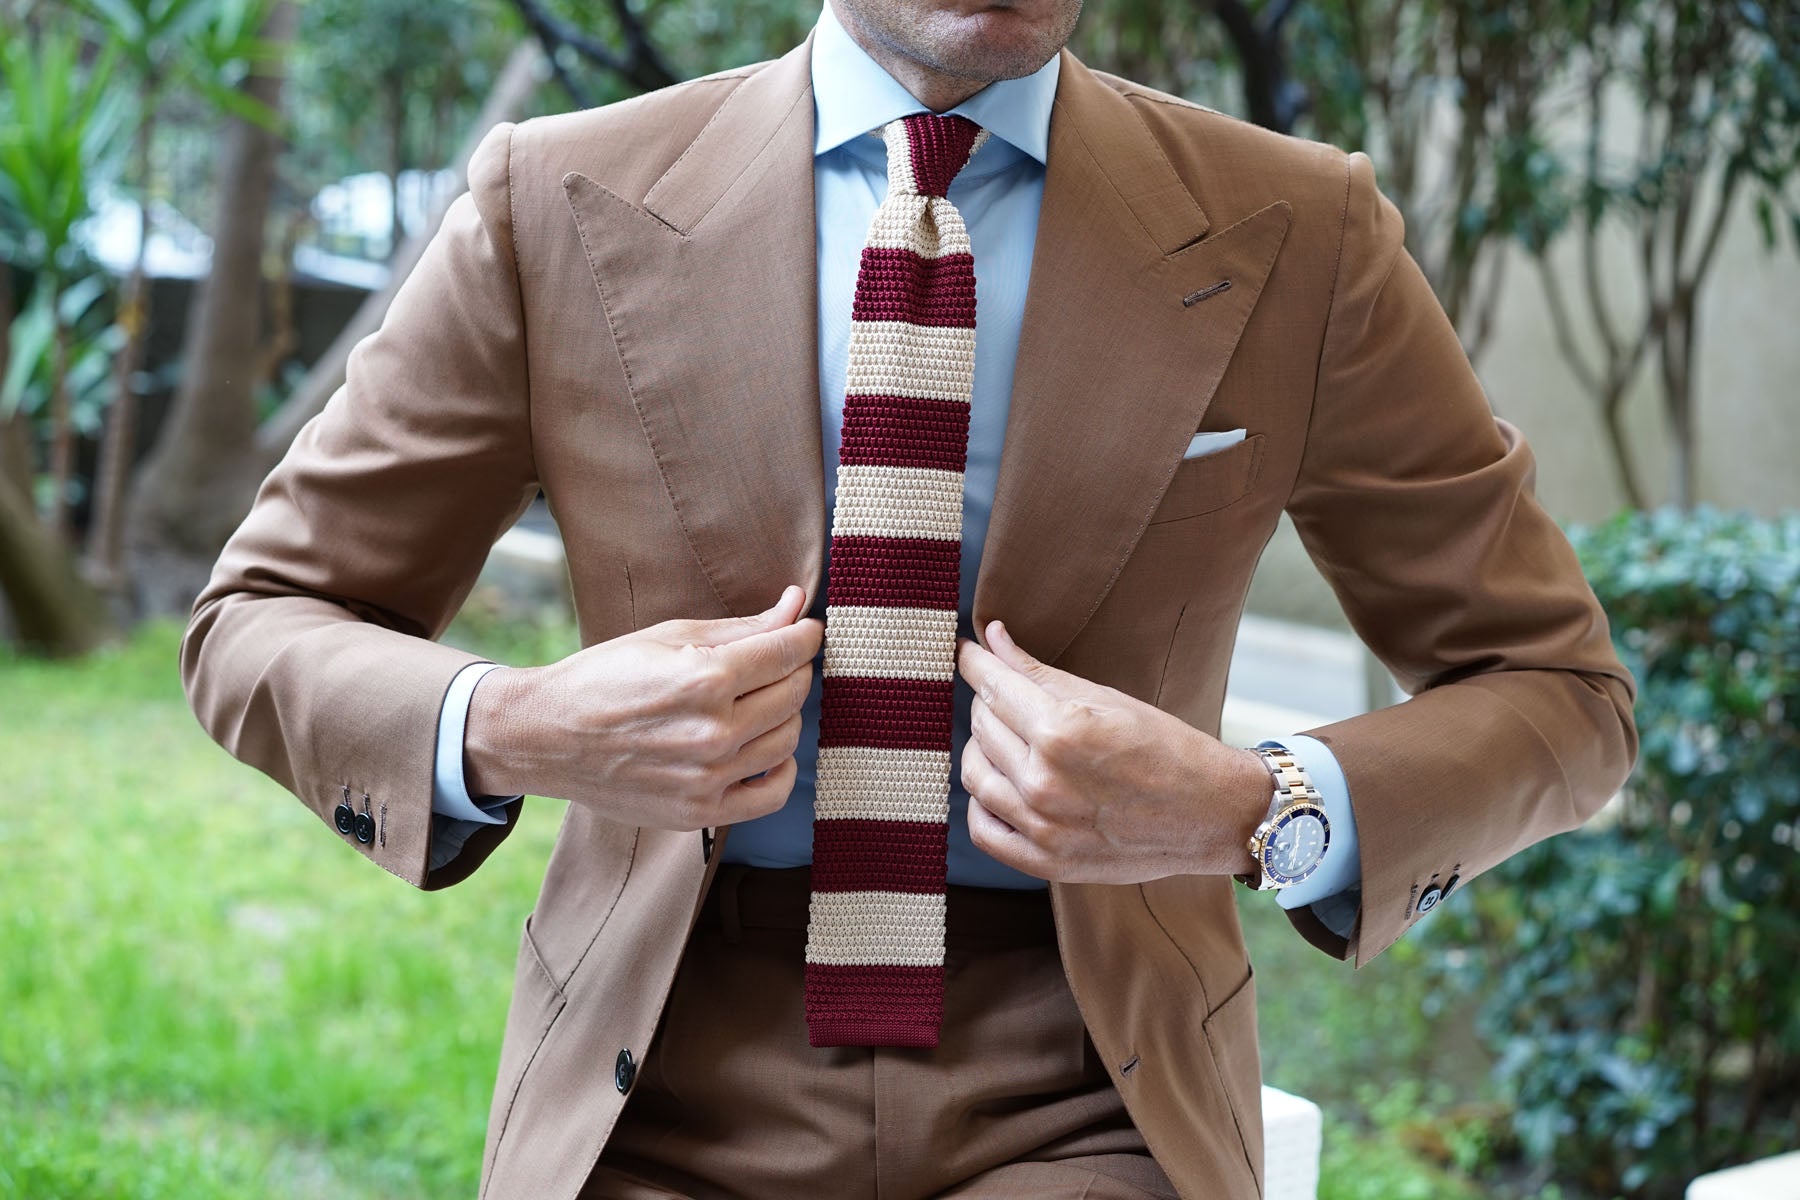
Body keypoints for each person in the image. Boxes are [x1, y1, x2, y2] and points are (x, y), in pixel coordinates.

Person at [181, 0, 1637, 1196]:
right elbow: (259, 619)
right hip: (662, 1061)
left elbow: (1562, 695)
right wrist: (513, 725)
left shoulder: (1298, 229)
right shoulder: (551, 197)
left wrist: (1243, 808)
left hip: (1087, 1080)